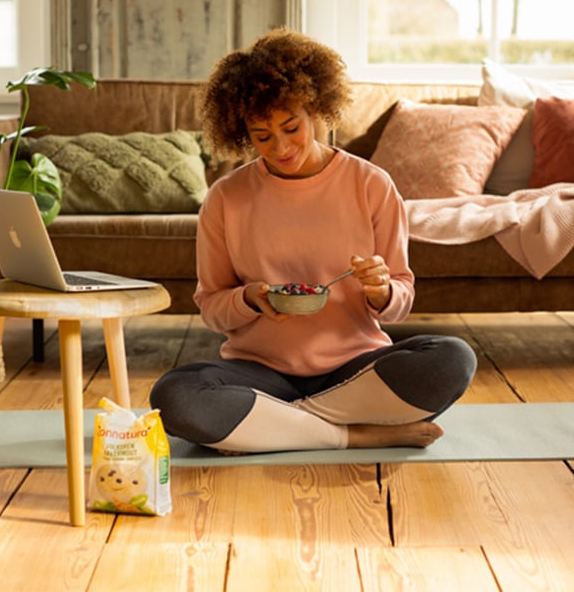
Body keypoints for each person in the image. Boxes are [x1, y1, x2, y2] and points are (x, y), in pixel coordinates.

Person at [150, 28, 477, 454]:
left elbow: (402, 297)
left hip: (356, 370)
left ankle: (271, 426)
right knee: (173, 396)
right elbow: (212, 306)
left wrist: (381, 290)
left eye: (291, 127)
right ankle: (350, 434)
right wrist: (249, 298)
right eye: (262, 136)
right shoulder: (226, 198)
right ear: (243, 133)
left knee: (453, 358)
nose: (281, 147)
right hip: (259, 372)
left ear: (316, 108)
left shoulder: (371, 185)